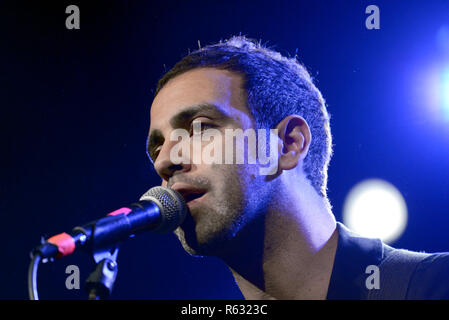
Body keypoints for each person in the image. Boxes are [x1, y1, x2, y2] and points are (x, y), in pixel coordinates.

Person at [146, 36, 449, 299]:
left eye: (200, 128)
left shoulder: (434, 287)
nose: (164, 160)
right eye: (157, 147)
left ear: (288, 144)